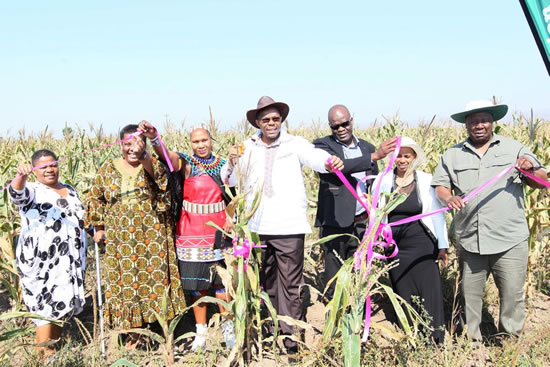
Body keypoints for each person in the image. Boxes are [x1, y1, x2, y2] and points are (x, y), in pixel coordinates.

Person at [221, 96, 344, 353]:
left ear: (282, 120)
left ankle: (291, 338)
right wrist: (231, 161)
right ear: (257, 122)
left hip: (289, 226)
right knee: (265, 282)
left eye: (276, 118)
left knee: (290, 283)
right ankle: (270, 328)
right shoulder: (246, 147)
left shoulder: (294, 143)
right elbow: (230, 181)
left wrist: (329, 163)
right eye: (265, 119)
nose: (271, 123)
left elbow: (315, 157)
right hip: (257, 227)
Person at [431, 100, 547, 341]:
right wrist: (449, 197)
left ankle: (510, 338)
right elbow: (441, 186)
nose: (479, 125)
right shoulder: (452, 154)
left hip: (509, 238)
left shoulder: (514, 148)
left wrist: (528, 169)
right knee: (469, 295)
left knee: (512, 295)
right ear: (466, 125)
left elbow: (541, 179)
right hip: (470, 238)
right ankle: (471, 341)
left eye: (483, 120)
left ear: (492, 122)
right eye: (473, 122)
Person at [138, 121, 236, 351]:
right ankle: (201, 331)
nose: (201, 145)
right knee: (196, 286)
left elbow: (235, 194)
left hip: (220, 231)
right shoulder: (187, 163)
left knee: (223, 284)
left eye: (204, 140)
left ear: (212, 141)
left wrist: (233, 218)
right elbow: (166, 156)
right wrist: (155, 138)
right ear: (190, 144)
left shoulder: (224, 165)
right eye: (196, 141)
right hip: (190, 232)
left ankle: (228, 329)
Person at [86, 124, 186, 346]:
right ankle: (134, 332)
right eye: (127, 144)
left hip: (154, 234)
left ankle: (163, 329)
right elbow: (95, 199)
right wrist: (99, 227)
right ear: (120, 144)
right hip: (121, 238)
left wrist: (144, 155)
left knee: (157, 279)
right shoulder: (107, 169)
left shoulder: (152, 164)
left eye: (137, 143)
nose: (131, 148)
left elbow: (162, 181)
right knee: (127, 283)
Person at [313, 104, 397, 300]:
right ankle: (333, 312)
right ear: (330, 127)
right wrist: (375, 157)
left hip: (361, 221)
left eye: (344, 124)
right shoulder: (322, 146)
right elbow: (338, 167)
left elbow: (374, 184)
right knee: (334, 270)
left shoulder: (366, 147)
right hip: (335, 221)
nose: (341, 129)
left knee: (361, 269)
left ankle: (358, 307)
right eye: (335, 126)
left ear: (351, 121)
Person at [9, 149, 87, 359]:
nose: (50, 170)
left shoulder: (70, 190)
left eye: (53, 165)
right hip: (43, 263)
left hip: (69, 260)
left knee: (61, 304)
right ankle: (43, 355)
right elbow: (17, 194)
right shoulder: (32, 189)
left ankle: (55, 349)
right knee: (45, 309)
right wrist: (21, 176)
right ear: (34, 170)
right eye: (43, 167)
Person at [375, 137, 448, 344]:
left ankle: (435, 337)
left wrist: (442, 245)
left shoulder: (425, 180)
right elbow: (375, 213)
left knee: (429, 288)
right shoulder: (382, 180)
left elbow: (436, 213)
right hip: (395, 246)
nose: (402, 160)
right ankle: (412, 335)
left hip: (422, 242)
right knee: (403, 289)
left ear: (414, 157)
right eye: (398, 155)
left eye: (407, 155)